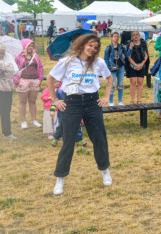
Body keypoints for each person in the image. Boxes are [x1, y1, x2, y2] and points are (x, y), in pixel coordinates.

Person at [47, 33, 113, 195]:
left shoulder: (99, 62)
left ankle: (105, 170)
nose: (93, 49)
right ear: (82, 44)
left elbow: (109, 79)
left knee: (99, 138)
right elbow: (50, 78)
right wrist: (55, 100)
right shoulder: (67, 61)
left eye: (96, 47)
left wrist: (105, 97)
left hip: (92, 102)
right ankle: (60, 178)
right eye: (90, 45)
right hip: (72, 103)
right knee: (68, 141)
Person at [13, 38, 44, 129]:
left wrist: (40, 78)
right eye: (28, 45)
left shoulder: (36, 56)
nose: (30, 47)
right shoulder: (18, 57)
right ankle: (23, 121)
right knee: (22, 102)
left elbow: (41, 67)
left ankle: (34, 120)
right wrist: (16, 79)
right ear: (24, 46)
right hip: (23, 81)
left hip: (34, 81)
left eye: (32, 45)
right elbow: (13, 68)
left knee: (33, 102)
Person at [0, 43, 19, 139]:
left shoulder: (8, 56)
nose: (1, 55)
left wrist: (3, 67)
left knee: (6, 111)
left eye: (2, 53)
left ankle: (7, 133)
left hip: (6, 89)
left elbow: (15, 69)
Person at [125, 31, 149, 104]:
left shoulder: (143, 43)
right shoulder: (129, 44)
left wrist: (141, 64)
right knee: (133, 82)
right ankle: (132, 100)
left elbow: (146, 55)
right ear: (132, 37)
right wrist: (135, 65)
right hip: (132, 65)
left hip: (142, 65)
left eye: (137, 35)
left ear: (139, 35)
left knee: (140, 82)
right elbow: (128, 56)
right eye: (134, 35)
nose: (135, 36)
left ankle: (139, 100)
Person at [104, 32, 127, 106]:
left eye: (117, 36)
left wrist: (129, 49)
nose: (116, 38)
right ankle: (111, 101)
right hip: (112, 68)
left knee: (120, 85)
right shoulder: (108, 48)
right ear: (111, 37)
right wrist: (108, 69)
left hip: (120, 68)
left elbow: (127, 55)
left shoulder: (121, 47)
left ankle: (120, 101)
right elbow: (106, 59)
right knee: (112, 85)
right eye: (114, 36)